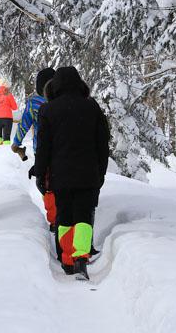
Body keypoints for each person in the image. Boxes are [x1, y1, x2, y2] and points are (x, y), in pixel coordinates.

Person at [34, 66, 109, 279]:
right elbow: (102, 143)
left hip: (61, 175)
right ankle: (80, 259)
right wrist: (100, 172)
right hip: (88, 175)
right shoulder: (91, 107)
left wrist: (41, 174)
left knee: (64, 217)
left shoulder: (48, 110)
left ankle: (67, 261)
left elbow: (44, 147)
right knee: (84, 217)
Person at [11, 67, 57, 228]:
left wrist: (16, 143)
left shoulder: (35, 103)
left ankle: (54, 218)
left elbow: (24, 124)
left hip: (42, 150)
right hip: (62, 149)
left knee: (44, 184)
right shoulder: (61, 99)